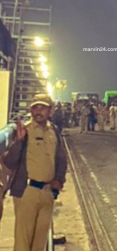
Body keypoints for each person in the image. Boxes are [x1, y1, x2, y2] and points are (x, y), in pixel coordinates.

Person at [1, 94, 67, 251]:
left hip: (47, 192)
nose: (39, 111)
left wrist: (59, 180)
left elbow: (61, 158)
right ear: (30, 110)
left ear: (50, 111)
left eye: (43, 108)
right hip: (27, 192)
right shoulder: (25, 130)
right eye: (35, 107)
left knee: (40, 242)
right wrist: (19, 141)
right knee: (23, 243)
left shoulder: (54, 131)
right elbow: (10, 162)